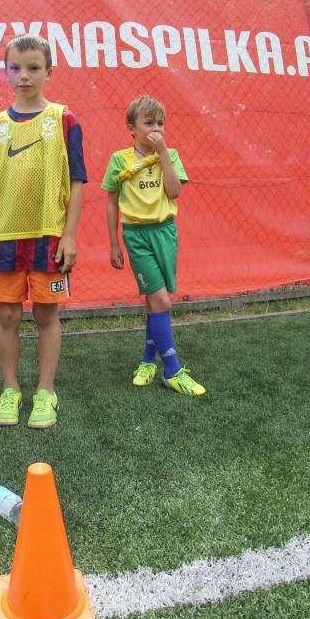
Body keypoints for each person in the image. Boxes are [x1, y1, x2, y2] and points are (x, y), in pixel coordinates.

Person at [0, 34, 85, 429]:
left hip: (49, 236)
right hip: (5, 237)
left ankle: (45, 391)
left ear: (48, 72)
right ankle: (10, 389)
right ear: (5, 73)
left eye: (33, 68)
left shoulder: (64, 119)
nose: (24, 75)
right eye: (16, 68)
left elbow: (76, 181)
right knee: (7, 315)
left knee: (45, 313)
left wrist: (69, 235)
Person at [102, 95, 204, 396]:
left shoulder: (169, 155)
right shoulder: (119, 159)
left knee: (153, 302)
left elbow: (174, 192)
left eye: (160, 123)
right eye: (148, 123)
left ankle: (148, 361)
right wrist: (114, 243)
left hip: (165, 233)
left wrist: (163, 154)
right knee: (162, 303)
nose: (156, 128)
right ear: (132, 129)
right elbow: (111, 203)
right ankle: (173, 371)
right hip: (136, 235)